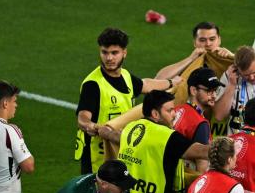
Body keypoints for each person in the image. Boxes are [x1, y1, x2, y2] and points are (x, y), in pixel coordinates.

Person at [75, 27, 182, 174]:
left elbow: (146, 85)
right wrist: (90, 126)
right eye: (104, 52)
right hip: (97, 159)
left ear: (124, 53)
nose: (109, 58)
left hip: (121, 151)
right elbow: (82, 117)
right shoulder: (93, 84)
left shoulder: (125, 77)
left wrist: (171, 83)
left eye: (114, 53)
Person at [173, 67, 221, 171]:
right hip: (184, 181)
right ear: (193, 90)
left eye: (215, 91)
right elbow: (202, 166)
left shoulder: (175, 110)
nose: (214, 96)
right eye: (209, 91)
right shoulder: (200, 123)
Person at [155, 21, 233, 80]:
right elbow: (158, 80)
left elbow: (245, 70)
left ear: (219, 40)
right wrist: (190, 59)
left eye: (212, 39)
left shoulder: (231, 62)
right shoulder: (190, 65)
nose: (208, 44)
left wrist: (233, 57)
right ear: (195, 43)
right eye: (202, 40)